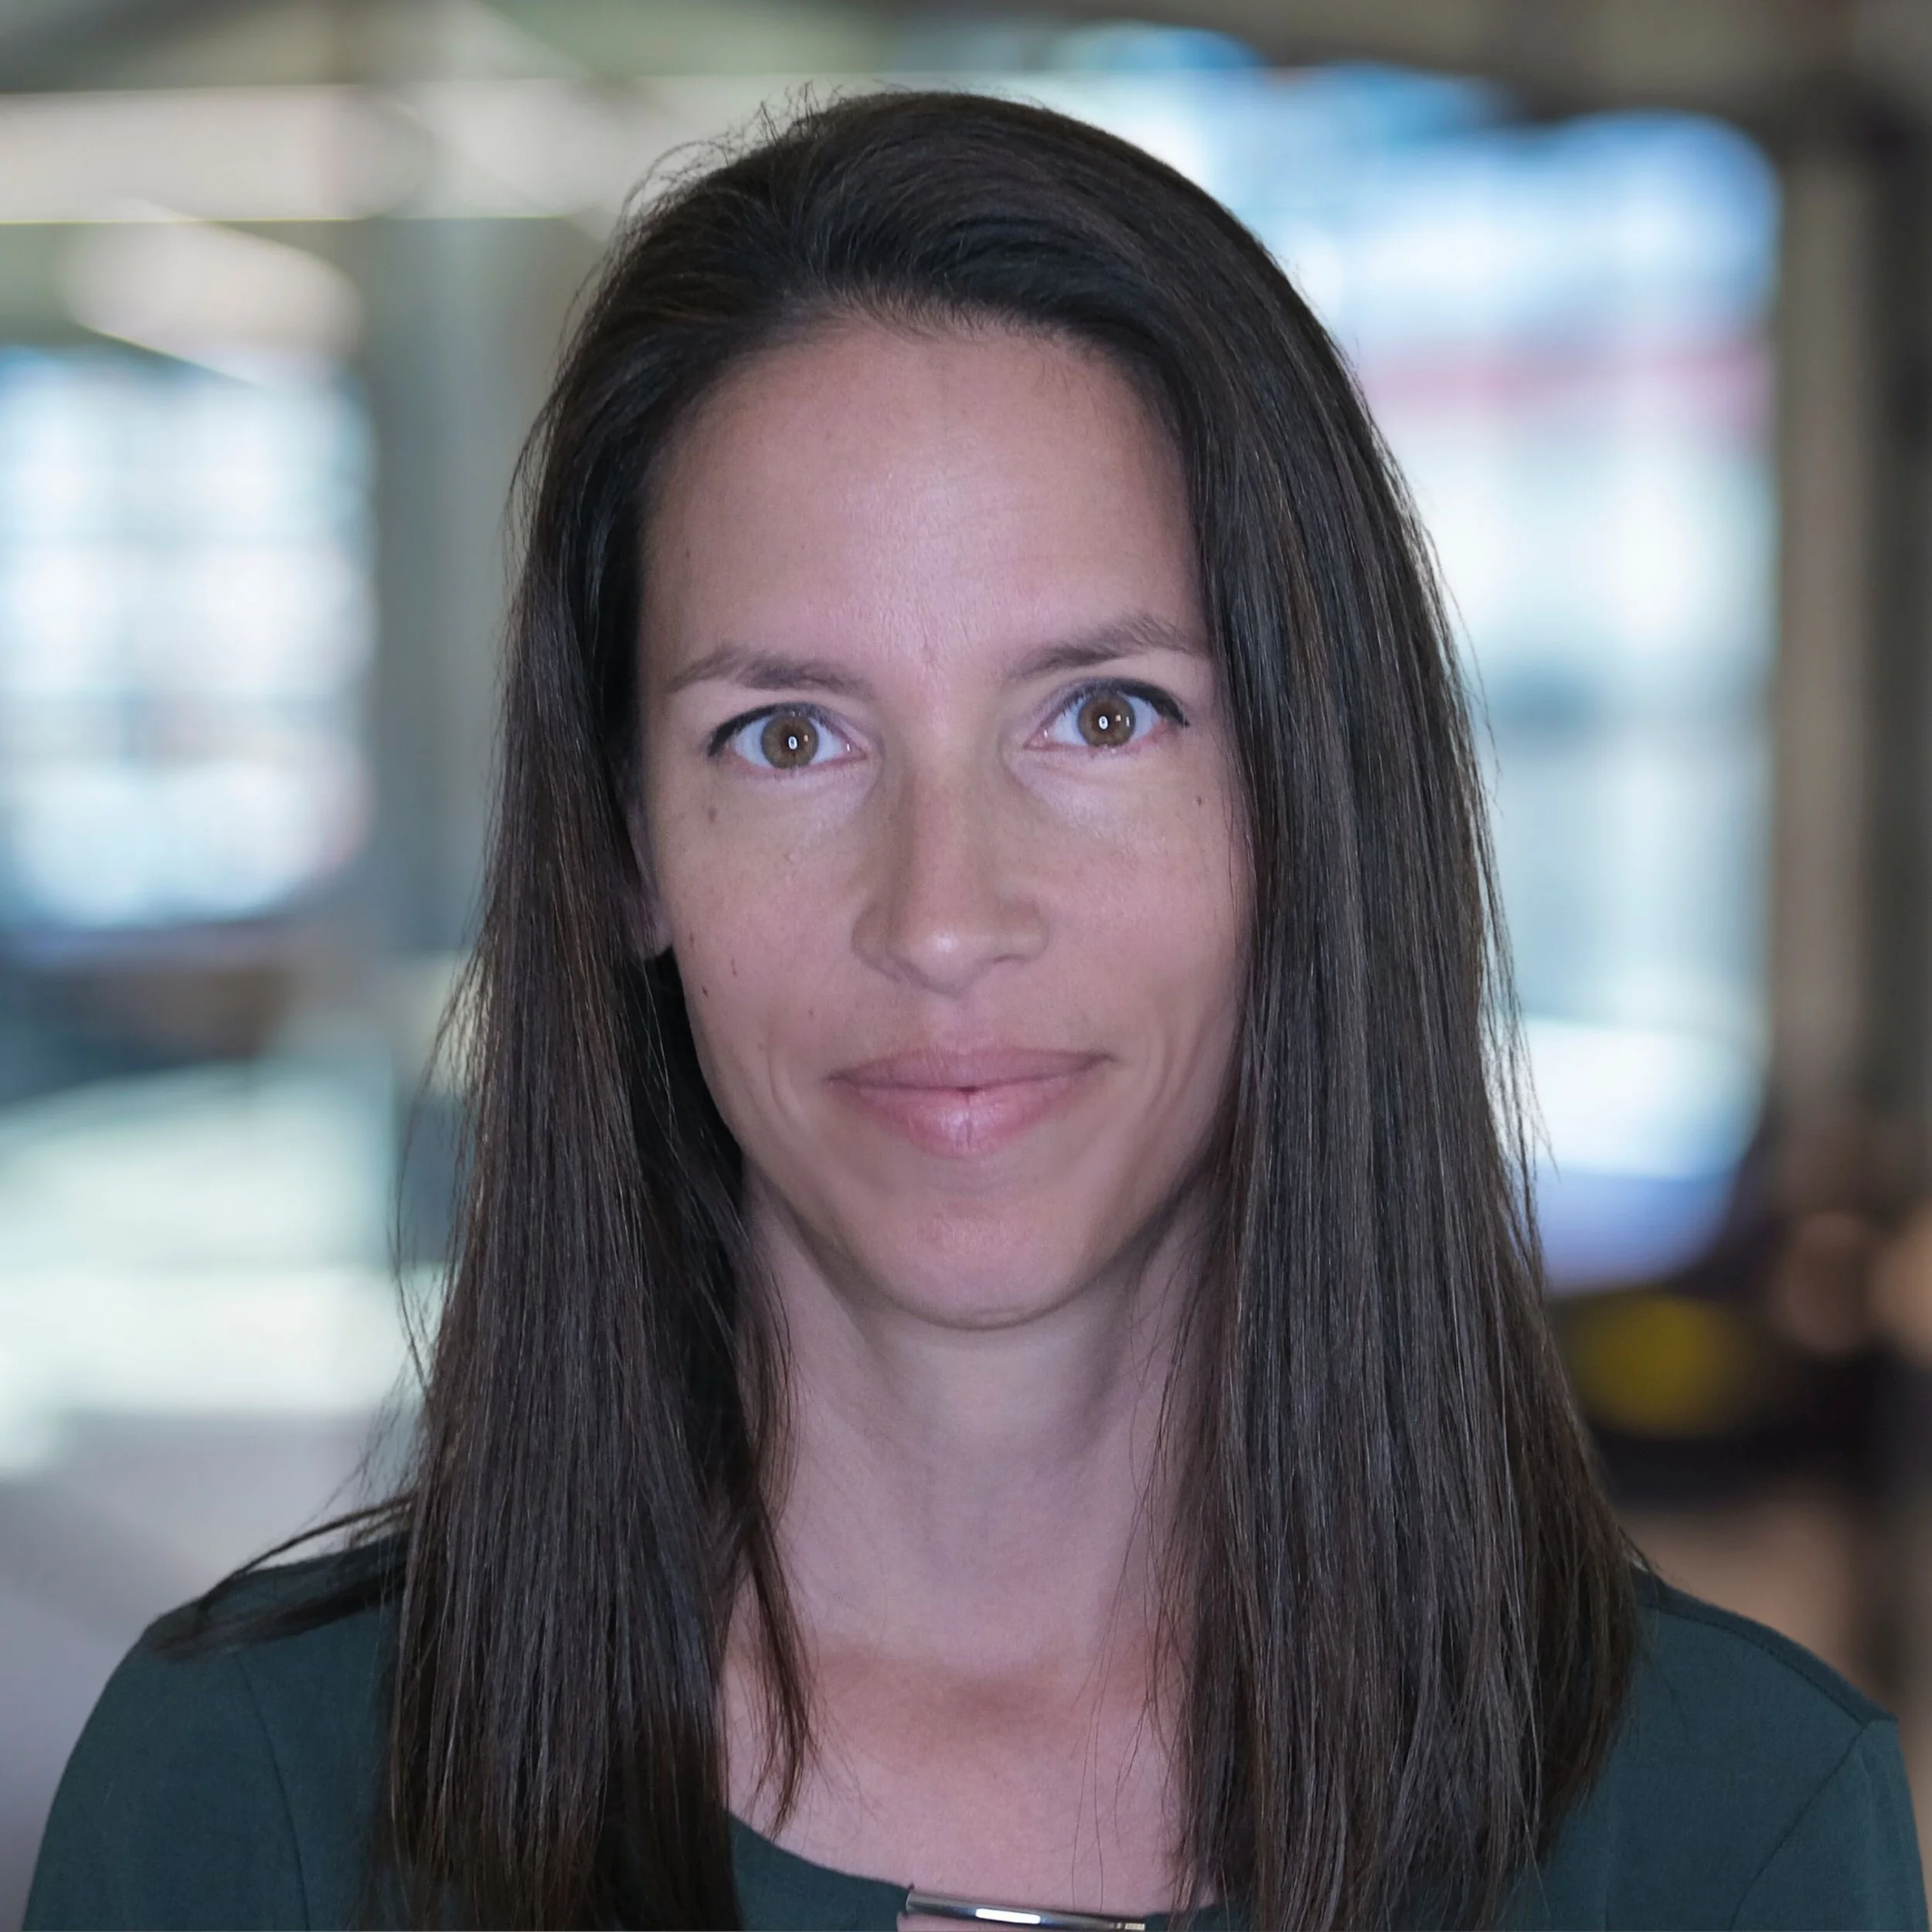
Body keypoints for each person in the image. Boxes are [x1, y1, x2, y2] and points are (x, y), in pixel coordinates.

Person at [24, 90, 1927, 1932]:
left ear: (1312, 800)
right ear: (621, 849)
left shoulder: (1726, 1824)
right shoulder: (250, 1799)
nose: (941, 915)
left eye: (1099, 714)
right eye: (787, 736)